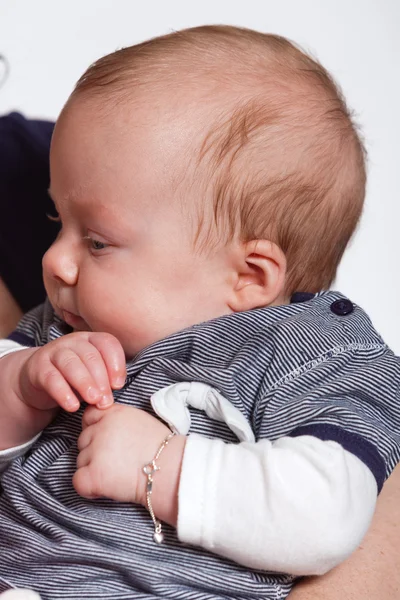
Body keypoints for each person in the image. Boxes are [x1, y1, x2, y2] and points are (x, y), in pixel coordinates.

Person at [0, 25, 399, 600]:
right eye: (55, 222)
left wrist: (160, 465)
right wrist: (20, 386)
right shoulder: (64, 322)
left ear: (249, 277)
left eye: (97, 241)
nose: (55, 260)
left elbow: (330, 510)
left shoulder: (325, 355)